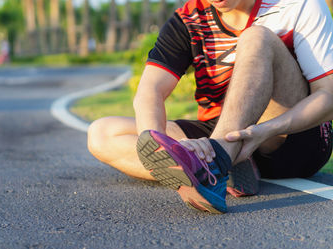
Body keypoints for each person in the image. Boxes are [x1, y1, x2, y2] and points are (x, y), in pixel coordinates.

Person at [88, 0, 333, 213]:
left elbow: (329, 97)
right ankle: (215, 164)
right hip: (220, 130)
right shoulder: (188, 19)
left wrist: (264, 131)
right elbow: (150, 92)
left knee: (257, 37)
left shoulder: (299, 4)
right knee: (101, 133)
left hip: (289, 136)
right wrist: (161, 148)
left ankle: (215, 162)